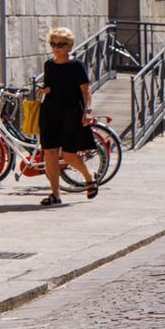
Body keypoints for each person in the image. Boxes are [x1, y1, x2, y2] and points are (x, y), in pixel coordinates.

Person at [37, 27, 99, 205]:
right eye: (53, 44)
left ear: (69, 45)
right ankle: (55, 194)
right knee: (49, 153)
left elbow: (86, 90)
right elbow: (49, 87)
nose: (56, 48)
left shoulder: (76, 66)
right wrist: (45, 90)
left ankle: (89, 176)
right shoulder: (49, 65)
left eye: (60, 44)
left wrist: (87, 111)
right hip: (50, 112)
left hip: (71, 112)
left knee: (69, 155)